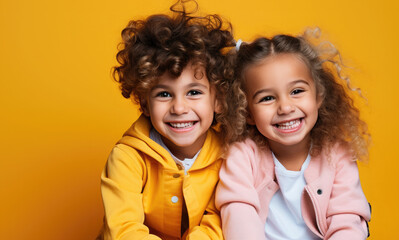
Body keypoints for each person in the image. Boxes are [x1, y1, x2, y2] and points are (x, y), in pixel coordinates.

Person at [98, 1, 236, 239]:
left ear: (219, 100)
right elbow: (123, 229)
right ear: (144, 103)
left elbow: (218, 224)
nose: (179, 108)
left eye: (194, 92)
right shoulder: (127, 158)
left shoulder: (231, 155)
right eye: (164, 94)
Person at [216, 29, 371, 240]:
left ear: (318, 96)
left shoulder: (337, 155)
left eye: (296, 91)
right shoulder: (243, 154)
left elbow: (347, 220)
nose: (285, 107)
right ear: (248, 113)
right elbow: (238, 213)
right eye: (267, 98)